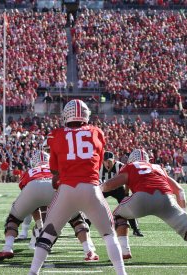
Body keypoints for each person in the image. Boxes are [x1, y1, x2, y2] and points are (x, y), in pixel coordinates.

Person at [29, 100, 126, 275]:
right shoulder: (97, 132)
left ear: (65, 115)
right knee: (109, 234)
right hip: (92, 189)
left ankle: (33, 272)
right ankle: (121, 273)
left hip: (67, 190)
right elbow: (96, 160)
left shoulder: (56, 135)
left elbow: (54, 172)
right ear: (87, 115)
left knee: (47, 234)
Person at [0, 150, 98, 262]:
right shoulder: (57, 169)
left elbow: (32, 203)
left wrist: (39, 224)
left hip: (34, 186)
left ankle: (8, 247)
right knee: (77, 220)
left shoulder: (31, 171)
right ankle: (88, 250)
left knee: (13, 219)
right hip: (57, 187)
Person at [102, 149, 187, 261]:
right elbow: (180, 191)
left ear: (131, 160)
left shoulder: (130, 166)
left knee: (118, 215)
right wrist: (183, 214)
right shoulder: (158, 167)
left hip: (142, 198)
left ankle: (125, 251)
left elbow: (109, 185)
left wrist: (99, 188)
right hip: (166, 199)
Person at [100, 151, 143, 237]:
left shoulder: (120, 166)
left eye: (110, 161)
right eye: (106, 161)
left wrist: (126, 192)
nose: (108, 163)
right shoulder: (98, 167)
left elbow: (128, 179)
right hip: (104, 188)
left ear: (114, 160)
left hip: (118, 188)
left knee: (128, 206)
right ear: (102, 161)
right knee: (92, 203)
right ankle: (86, 226)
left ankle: (135, 229)